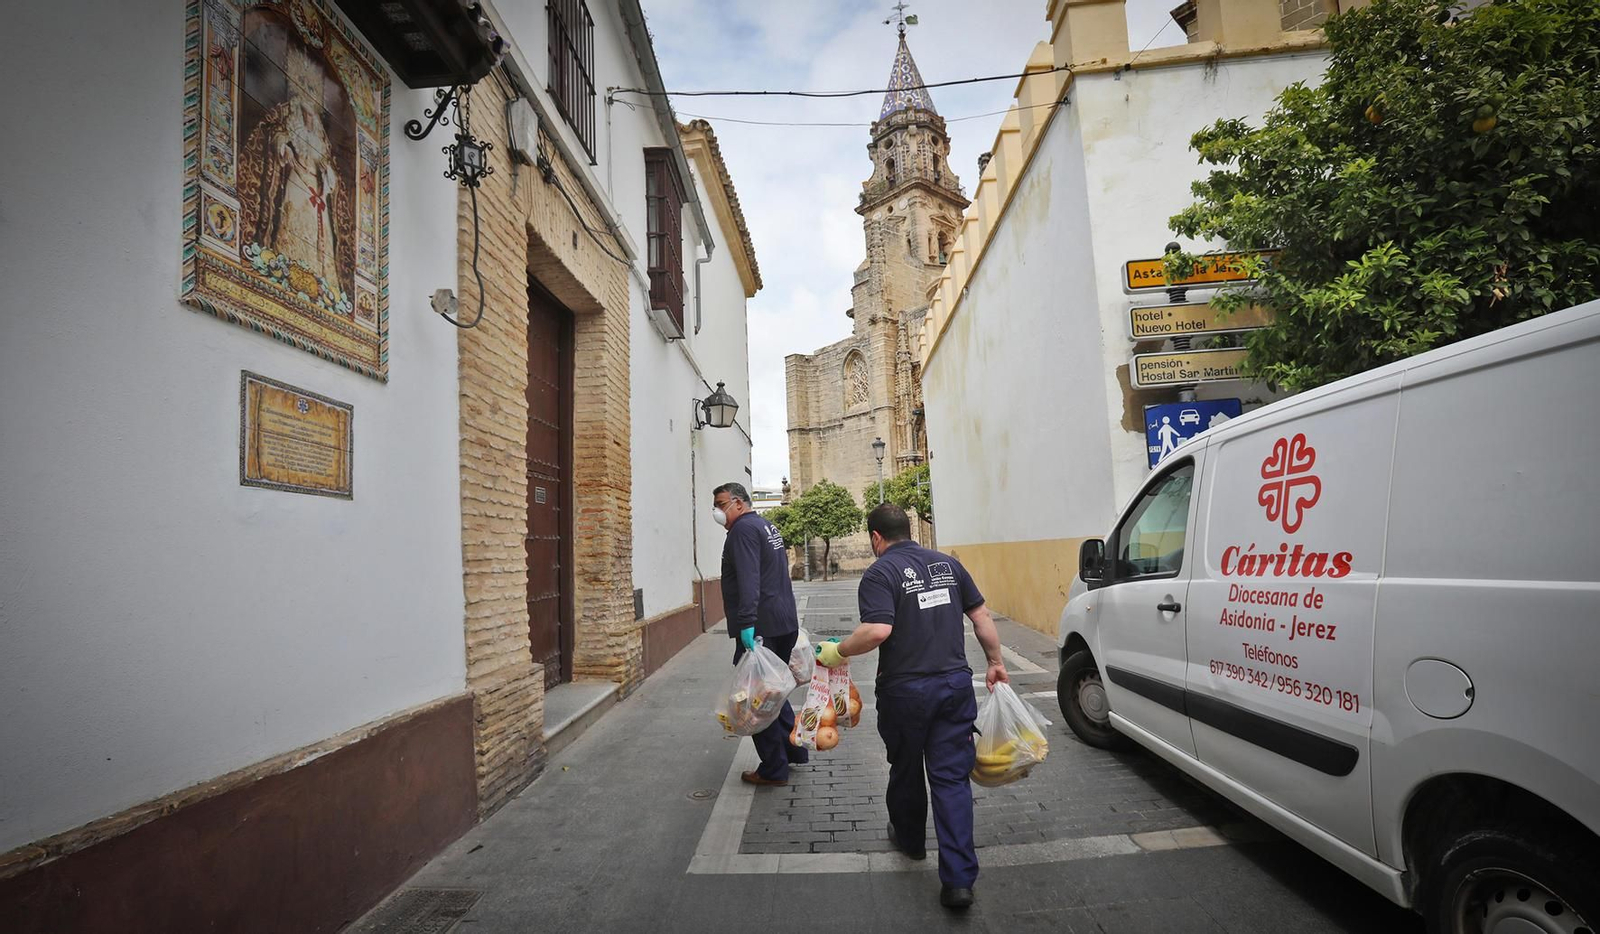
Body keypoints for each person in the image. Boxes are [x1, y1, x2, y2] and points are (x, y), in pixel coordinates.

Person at [815, 503, 1008, 910]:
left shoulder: (880, 572)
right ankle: (958, 882)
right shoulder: (947, 565)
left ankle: (911, 841)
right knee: (951, 780)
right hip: (954, 687)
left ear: (876, 537)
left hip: (905, 692)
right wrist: (995, 662)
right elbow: (981, 615)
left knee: (905, 768)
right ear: (908, 530)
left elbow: (877, 630)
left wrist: (838, 651)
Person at [714, 482, 808, 785]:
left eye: (721, 504)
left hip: (762, 627)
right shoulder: (767, 526)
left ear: (739, 503)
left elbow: (749, 580)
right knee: (773, 690)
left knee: (754, 698)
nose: (717, 511)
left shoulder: (742, 530)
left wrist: (747, 623)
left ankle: (773, 768)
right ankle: (792, 750)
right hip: (783, 621)